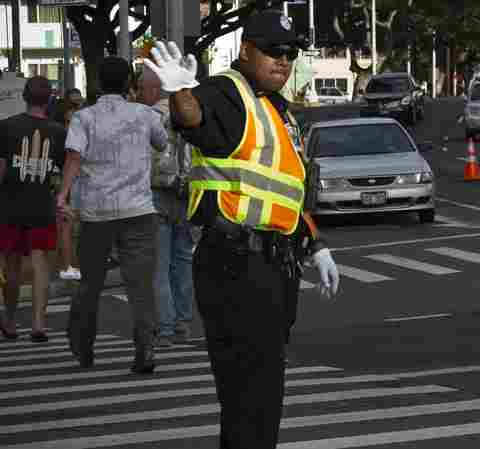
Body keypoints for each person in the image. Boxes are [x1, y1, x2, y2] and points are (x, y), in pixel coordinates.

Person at [144, 10, 340, 449]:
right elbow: (194, 121)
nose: (284, 61)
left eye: (290, 53)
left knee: (262, 393)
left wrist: (314, 245)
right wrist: (178, 91)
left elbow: (286, 189)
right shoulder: (226, 92)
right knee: (248, 394)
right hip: (237, 265)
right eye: (274, 51)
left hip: (273, 265)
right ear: (246, 50)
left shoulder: (278, 110)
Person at [56, 56, 169, 373]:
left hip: (96, 213)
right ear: (128, 85)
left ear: (97, 85)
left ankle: (83, 347)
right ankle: (145, 348)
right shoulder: (144, 115)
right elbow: (161, 144)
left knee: (90, 284)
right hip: (139, 211)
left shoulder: (84, 118)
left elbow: (74, 157)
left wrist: (63, 194)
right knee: (140, 285)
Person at [0, 76, 67, 342]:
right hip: (43, 205)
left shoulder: (6, 127)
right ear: (50, 99)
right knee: (41, 265)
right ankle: (39, 324)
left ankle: (11, 319)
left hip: (10, 205)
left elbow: (1, 169)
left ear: (24, 97)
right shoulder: (59, 132)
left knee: (12, 265)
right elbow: (62, 172)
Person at [137, 66, 195, 347]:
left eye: (140, 88)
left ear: (152, 90)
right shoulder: (187, 113)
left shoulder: (148, 117)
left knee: (159, 264)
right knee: (183, 261)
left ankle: (166, 327)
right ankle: (184, 322)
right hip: (187, 193)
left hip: (156, 194)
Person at [50, 87, 85, 281]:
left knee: (70, 224)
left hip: (75, 180)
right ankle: (67, 265)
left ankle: (69, 264)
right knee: (65, 224)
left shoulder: (72, 134)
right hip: (63, 180)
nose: (72, 125)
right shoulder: (60, 137)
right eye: (69, 121)